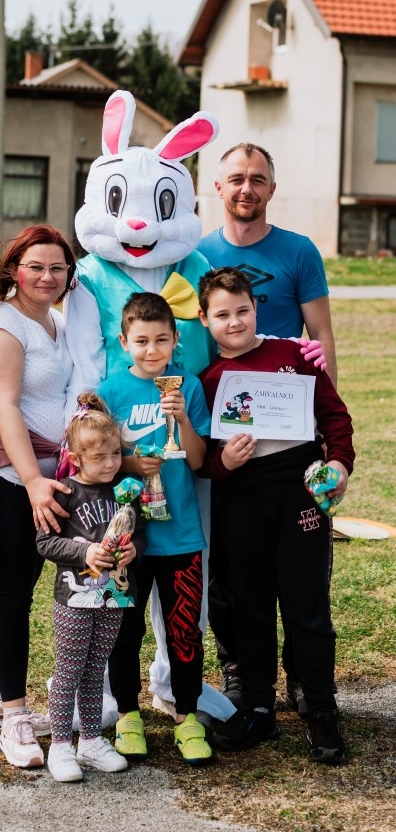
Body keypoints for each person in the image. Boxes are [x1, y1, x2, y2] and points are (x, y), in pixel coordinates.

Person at [196, 142, 337, 712]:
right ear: (218, 188)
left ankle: (304, 678)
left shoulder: (299, 252)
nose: (246, 188)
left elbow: (322, 341)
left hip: (292, 437)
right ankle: (241, 676)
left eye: (257, 179)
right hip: (228, 436)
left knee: (302, 571)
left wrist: (327, 433)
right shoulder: (197, 252)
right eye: (236, 178)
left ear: (271, 189)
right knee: (232, 574)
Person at [197, 268, 354, 764]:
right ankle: (259, 708)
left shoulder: (292, 354)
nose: (235, 321)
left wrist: (338, 464)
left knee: (308, 604)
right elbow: (204, 461)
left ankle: (321, 710)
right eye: (222, 314)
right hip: (242, 499)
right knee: (250, 606)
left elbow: (334, 416)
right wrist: (225, 462)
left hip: (300, 493)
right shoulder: (209, 380)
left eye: (242, 310)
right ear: (204, 319)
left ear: (256, 308)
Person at [0, 225, 77, 770]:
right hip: (12, 474)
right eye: (36, 267)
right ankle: (15, 717)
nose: (47, 277)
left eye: (57, 268)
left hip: (51, 475)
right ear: (13, 270)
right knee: (12, 592)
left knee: (24, 584)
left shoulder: (54, 321)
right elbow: (5, 408)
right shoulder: (1, 326)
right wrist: (32, 482)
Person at [98, 293, 213, 766]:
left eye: (161, 340)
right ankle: (128, 713)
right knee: (123, 631)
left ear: (175, 339)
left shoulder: (188, 387)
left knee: (184, 629)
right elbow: (93, 462)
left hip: (181, 533)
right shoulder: (108, 391)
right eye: (141, 341)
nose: (151, 350)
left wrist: (182, 416)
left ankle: (186, 715)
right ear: (124, 341)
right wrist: (128, 461)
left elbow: (201, 460)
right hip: (128, 541)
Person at [36, 392, 144, 782]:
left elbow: (138, 534)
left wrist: (133, 552)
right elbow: (44, 543)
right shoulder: (64, 492)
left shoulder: (125, 491)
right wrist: (83, 554)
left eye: (115, 454)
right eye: (99, 458)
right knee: (69, 669)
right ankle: (61, 744)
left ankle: (92, 740)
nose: (111, 463)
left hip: (114, 596)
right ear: (77, 458)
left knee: (98, 668)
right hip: (75, 599)